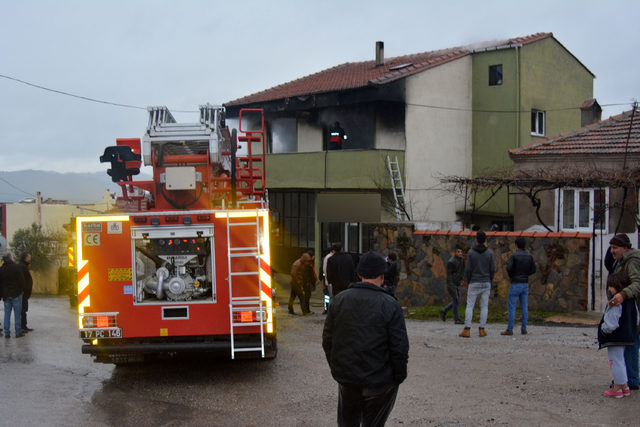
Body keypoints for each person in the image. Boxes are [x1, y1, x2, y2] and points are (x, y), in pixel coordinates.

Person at [322, 251, 409, 426]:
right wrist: (398, 377)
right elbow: (399, 347)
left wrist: (338, 370)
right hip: (380, 382)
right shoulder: (391, 305)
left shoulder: (339, 300)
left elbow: (327, 341)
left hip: (348, 379)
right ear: (382, 277)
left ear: (360, 274)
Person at [607, 233, 640, 390]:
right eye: (611, 247)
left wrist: (622, 294)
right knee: (629, 342)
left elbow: (637, 283)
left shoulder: (631, 261)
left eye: (615, 248)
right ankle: (627, 379)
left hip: (634, 310)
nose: (612, 251)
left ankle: (632, 379)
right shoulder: (620, 261)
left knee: (631, 343)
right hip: (630, 310)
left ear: (625, 248)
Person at [599, 270, 639, 398]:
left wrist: (603, 330)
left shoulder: (615, 302)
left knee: (615, 361)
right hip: (627, 335)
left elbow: (611, 323)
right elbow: (637, 318)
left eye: (611, 286)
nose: (609, 289)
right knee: (621, 360)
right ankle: (625, 387)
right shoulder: (632, 301)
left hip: (615, 337)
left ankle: (617, 387)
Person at [459, 231, 495, 338]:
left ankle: (467, 329)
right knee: (484, 306)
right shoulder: (490, 253)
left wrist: (468, 280)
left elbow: (468, 269)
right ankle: (482, 329)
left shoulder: (471, 253)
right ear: (485, 241)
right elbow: (492, 269)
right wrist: (490, 280)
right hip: (486, 282)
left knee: (470, 305)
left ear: (476, 240)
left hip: (474, 281)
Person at [501, 237, 536, 336]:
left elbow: (509, 268)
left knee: (512, 307)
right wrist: (526, 274)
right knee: (524, 306)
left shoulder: (514, 255)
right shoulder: (529, 256)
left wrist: (513, 275)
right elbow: (533, 269)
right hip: (525, 283)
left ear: (516, 245)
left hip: (515, 283)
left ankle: (510, 329)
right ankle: (524, 328)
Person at [0, 252, 26, 338]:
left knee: (7, 314)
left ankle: (7, 332)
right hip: (16, 294)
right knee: (17, 314)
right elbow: (22, 281)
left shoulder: (1, 269)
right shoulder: (16, 267)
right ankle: (18, 332)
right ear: (11, 258)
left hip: (6, 295)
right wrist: (21, 290)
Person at [440, 245, 464, 324]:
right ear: (455, 252)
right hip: (452, 284)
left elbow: (462, 271)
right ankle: (457, 319)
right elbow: (449, 276)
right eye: (458, 252)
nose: (460, 253)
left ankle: (444, 310)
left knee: (457, 300)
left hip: (458, 283)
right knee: (456, 300)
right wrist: (452, 286)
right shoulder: (451, 262)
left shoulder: (462, 260)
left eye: (461, 252)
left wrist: (462, 280)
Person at [321, 244, 338, 313]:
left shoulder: (327, 257)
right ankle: (327, 308)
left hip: (327, 280)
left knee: (327, 295)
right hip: (328, 281)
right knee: (328, 295)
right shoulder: (330, 258)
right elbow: (325, 270)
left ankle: (327, 308)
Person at [20, 252, 34, 332]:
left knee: (23, 310)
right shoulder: (22, 267)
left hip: (24, 293)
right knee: (22, 310)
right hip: (23, 293)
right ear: (25, 258)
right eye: (29, 257)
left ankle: (23, 326)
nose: (30, 259)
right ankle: (22, 326)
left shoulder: (23, 266)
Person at [303, 249, 318, 314]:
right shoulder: (308, 264)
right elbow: (308, 274)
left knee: (306, 296)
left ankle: (306, 310)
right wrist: (309, 282)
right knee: (307, 296)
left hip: (307, 283)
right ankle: (306, 310)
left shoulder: (307, 263)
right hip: (307, 283)